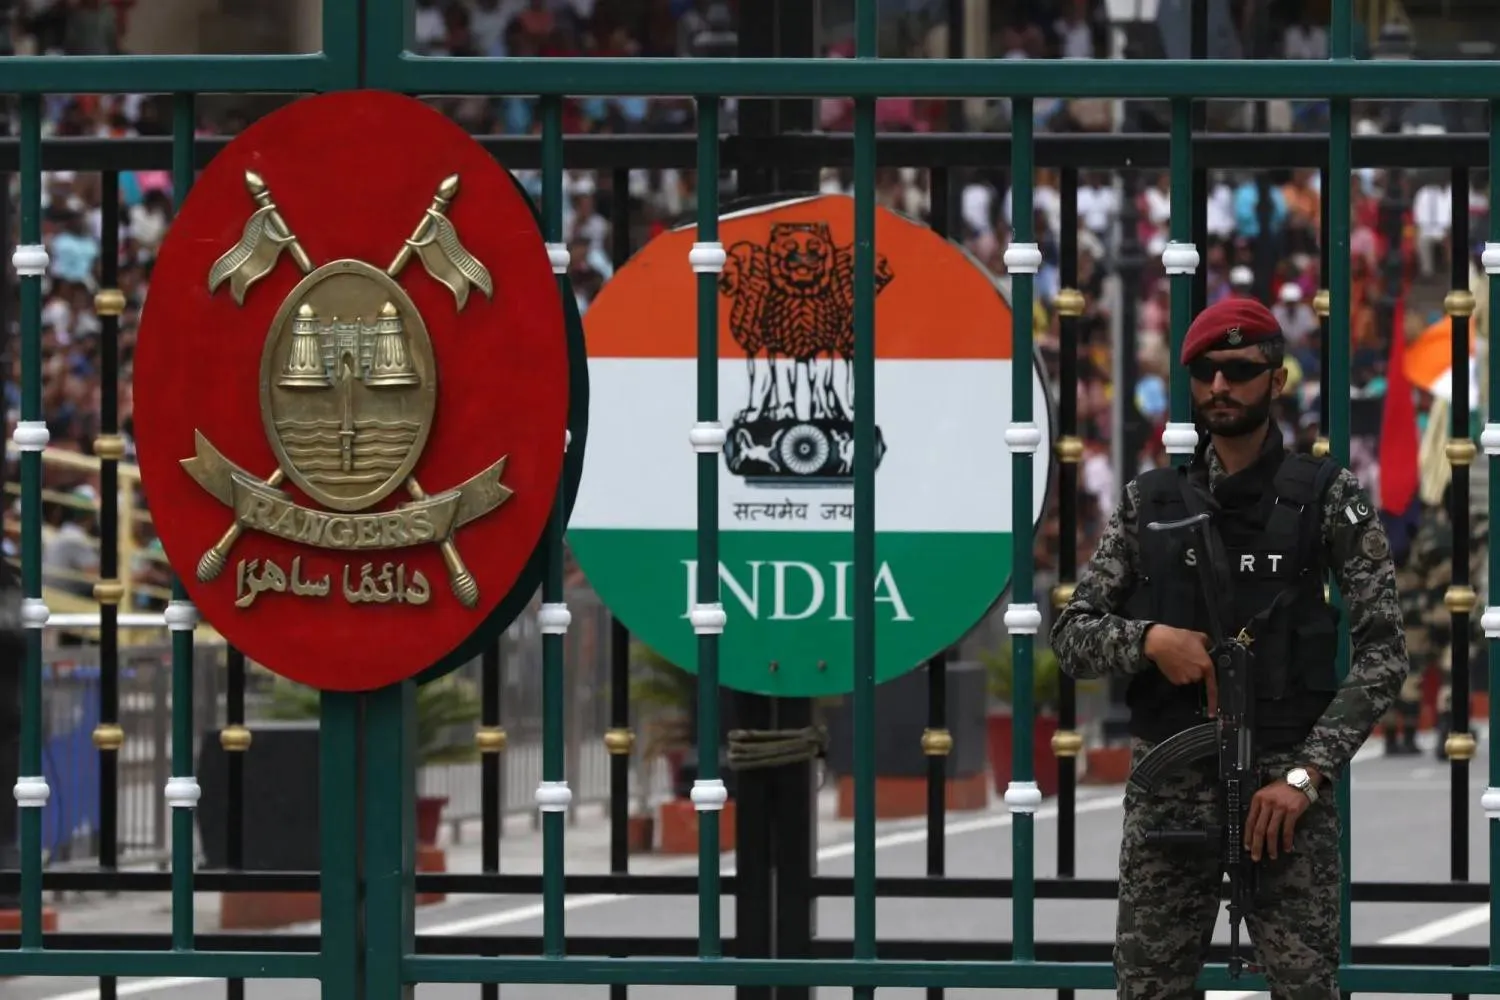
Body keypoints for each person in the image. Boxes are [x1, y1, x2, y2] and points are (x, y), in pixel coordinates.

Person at [1050, 296, 1407, 999]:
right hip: (1173, 793)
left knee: (1306, 988)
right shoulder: (1149, 504)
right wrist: (1151, 640)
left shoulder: (1329, 500)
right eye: (1207, 371)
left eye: (1240, 370)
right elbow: (1071, 635)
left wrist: (1306, 776)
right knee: (1150, 989)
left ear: (1276, 380)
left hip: (1282, 795)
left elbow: (1383, 654)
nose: (1221, 386)